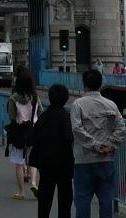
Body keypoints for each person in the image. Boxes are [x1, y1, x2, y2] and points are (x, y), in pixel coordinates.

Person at [71, 68, 126, 218]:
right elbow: (121, 127)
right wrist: (110, 144)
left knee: (82, 200)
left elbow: (77, 130)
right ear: (100, 84)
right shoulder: (111, 105)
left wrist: (95, 145)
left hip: (84, 159)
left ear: (85, 85)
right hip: (106, 159)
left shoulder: (78, 105)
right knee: (106, 199)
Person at [29, 83, 74, 218]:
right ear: (65, 99)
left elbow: (33, 138)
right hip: (63, 163)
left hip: (45, 163)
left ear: (49, 98)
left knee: (45, 198)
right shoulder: (65, 117)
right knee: (65, 198)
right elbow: (68, 138)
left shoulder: (44, 117)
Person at [7, 66, 42, 200]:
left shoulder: (13, 98)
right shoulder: (35, 97)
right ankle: (33, 183)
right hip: (33, 130)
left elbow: (11, 116)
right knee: (32, 160)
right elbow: (40, 112)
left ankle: (21, 192)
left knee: (19, 163)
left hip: (19, 132)